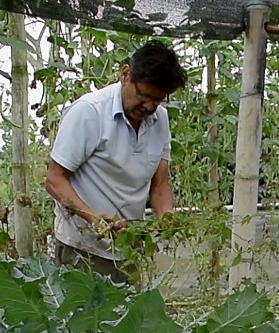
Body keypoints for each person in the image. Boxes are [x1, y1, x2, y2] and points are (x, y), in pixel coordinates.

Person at [43, 40, 187, 284]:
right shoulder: (89, 112)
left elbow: (159, 185)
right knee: (84, 321)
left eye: (158, 100)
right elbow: (54, 180)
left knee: (128, 320)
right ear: (125, 74)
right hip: (82, 251)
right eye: (143, 95)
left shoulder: (160, 120)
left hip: (129, 250)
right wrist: (93, 218)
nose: (149, 106)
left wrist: (167, 217)